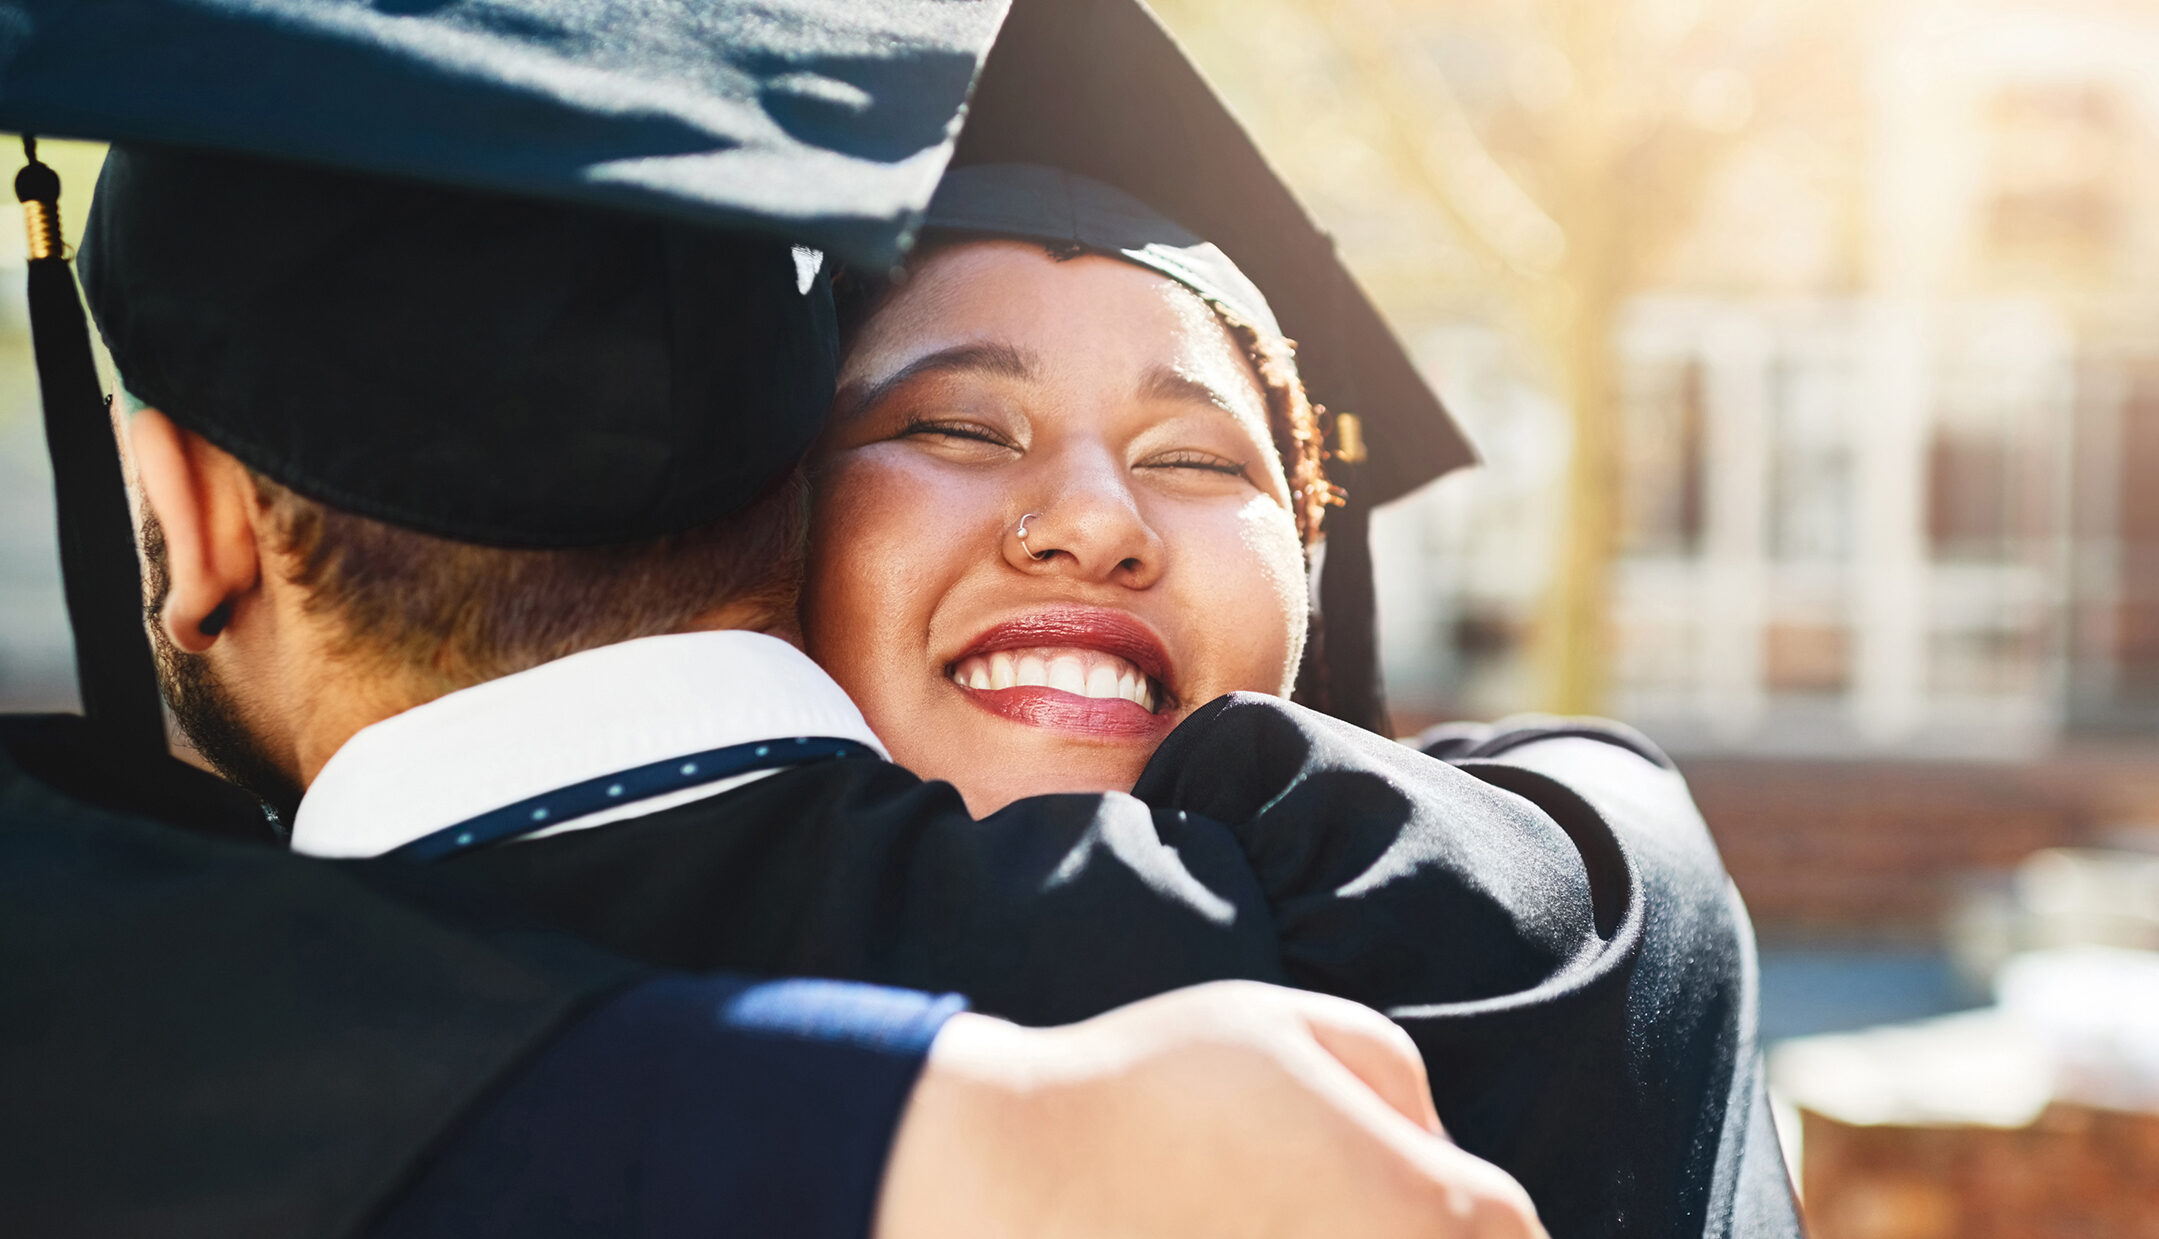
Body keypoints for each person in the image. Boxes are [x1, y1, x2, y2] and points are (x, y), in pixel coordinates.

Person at [0, 2, 1544, 1236]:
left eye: (1201, 459)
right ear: (799, 493)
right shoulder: (1461, 948)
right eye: (951, 428)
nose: (1090, 523)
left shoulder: (118, 1053)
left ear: (181, 516)